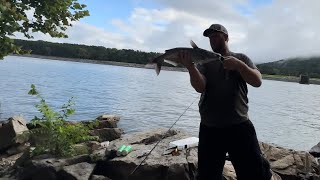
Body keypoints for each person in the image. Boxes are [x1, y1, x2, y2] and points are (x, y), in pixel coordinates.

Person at [178, 24, 272, 180]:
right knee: (208, 176)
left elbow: (257, 81)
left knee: (253, 174)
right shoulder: (204, 62)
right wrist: (190, 67)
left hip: (240, 126)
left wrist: (239, 66)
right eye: (210, 37)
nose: (212, 40)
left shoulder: (241, 58)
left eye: (216, 36)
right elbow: (200, 87)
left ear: (226, 37)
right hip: (210, 128)